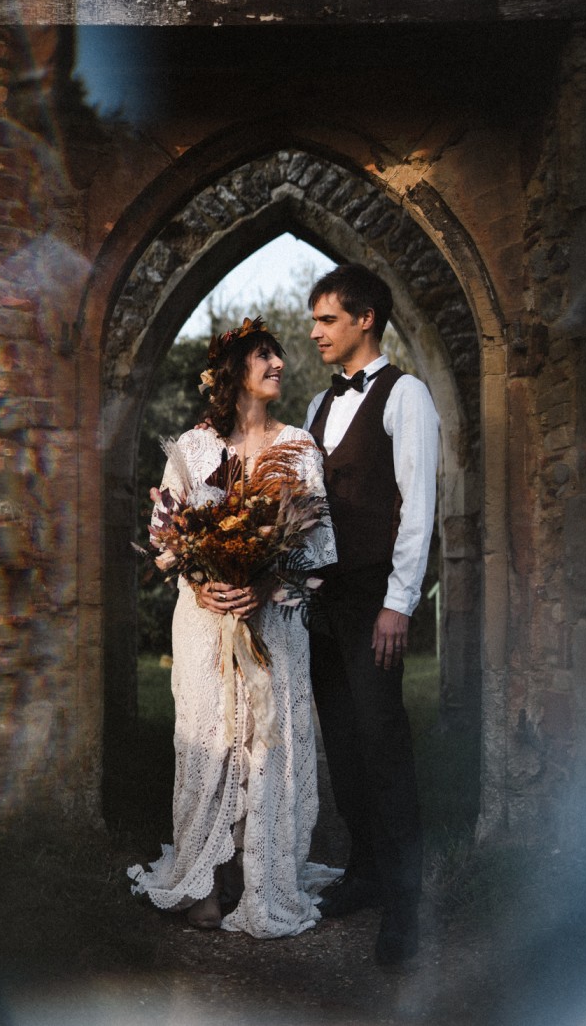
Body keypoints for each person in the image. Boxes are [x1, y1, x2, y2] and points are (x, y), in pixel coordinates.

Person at [128, 318, 340, 938]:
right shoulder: (192, 450)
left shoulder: (299, 448)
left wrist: (266, 585)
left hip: (272, 624)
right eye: (263, 355)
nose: (277, 363)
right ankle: (203, 882)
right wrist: (204, 580)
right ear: (232, 372)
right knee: (210, 740)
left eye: (278, 355)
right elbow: (164, 545)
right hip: (204, 623)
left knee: (268, 746)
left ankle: (266, 880)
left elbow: (320, 550)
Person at [303, 264, 440, 968]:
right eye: (315, 319)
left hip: (373, 601)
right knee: (346, 747)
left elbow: (418, 507)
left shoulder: (405, 394)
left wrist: (398, 602)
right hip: (324, 604)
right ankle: (364, 874)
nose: (316, 331)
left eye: (327, 319)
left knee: (384, 746)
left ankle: (407, 907)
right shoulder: (318, 408)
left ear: (364, 319)